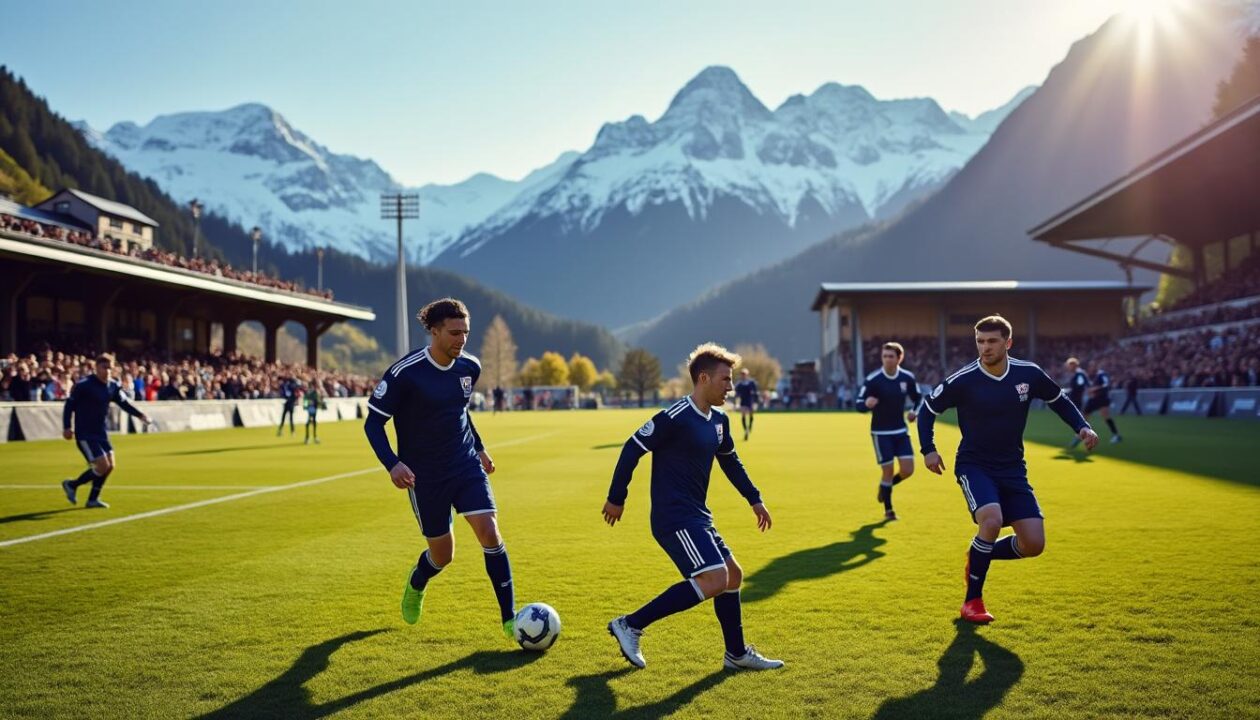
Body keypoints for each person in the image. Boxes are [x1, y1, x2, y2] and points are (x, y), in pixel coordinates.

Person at [604, 343, 783, 672]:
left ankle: (736, 654)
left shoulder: (719, 421)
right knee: (715, 578)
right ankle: (630, 624)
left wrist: (754, 499)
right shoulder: (676, 417)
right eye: (725, 380)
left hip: (698, 516)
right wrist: (617, 497)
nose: (731, 387)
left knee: (732, 576)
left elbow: (731, 463)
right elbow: (632, 447)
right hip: (673, 517)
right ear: (703, 379)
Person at [919, 316, 1097, 624]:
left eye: (991, 341)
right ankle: (972, 601)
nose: (984, 348)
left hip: (1013, 468)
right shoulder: (964, 379)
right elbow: (927, 409)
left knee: (1033, 545)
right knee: (992, 518)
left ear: (1008, 343)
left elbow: (1059, 400)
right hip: (974, 464)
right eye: (980, 341)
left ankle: (979, 553)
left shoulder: (1029, 374)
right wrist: (928, 449)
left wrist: (1082, 427)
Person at [362, 298, 516, 640]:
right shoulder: (405, 373)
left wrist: (479, 448)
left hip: (464, 465)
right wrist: (393, 464)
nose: (461, 339)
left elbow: (460, 412)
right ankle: (417, 582)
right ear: (434, 330)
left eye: (466, 332)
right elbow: (373, 424)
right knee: (443, 555)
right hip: (424, 476)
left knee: (490, 531)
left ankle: (510, 619)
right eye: (454, 332)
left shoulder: (469, 368)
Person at [61, 354, 151, 509]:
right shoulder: (84, 385)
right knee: (102, 466)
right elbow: (69, 405)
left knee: (110, 466)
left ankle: (92, 499)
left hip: (101, 432)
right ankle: (72, 484)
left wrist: (140, 415)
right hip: (85, 433)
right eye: (104, 367)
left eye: (110, 367)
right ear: (96, 368)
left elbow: (124, 404)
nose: (108, 371)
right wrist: (67, 427)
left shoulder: (113, 386)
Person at [856, 342, 921, 521]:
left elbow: (918, 398)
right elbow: (859, 403)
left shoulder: (907, 378)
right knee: (888, 469)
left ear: (900, 358)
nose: (887, 360)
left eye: (891, 356)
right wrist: (865, 405)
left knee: (908, 470)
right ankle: (889, 510)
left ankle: (885, 487)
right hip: (880, 433)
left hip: (900, 431)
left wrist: (914, 411)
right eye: (884, 356)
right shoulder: (873, 380)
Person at [1072, 362, 1122, 445]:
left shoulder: (1101, 374)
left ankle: (1116, 435)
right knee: (1083, 417)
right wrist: (1089, 391)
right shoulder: (1090, 376)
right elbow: (1088, 386)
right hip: (1093, 399)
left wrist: (1094, 389)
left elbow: (1106, 385)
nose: (1091, 368)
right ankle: (1079, 436)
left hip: (1102, 398)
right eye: (1090, 367)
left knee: (1106, 416)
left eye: (1093, 366)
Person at [733, 368, 759, 441]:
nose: (743, 375)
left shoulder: (751, 383)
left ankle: (750, 426)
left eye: (744, 374)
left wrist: (756, 402)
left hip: (750, 401)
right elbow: (737, 394)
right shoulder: (739, 384)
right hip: (743, 401)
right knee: (743, 415)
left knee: (751, 415)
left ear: (747, 374)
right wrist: (736, 403)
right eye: (742, 374)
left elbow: (756, 392)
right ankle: (746, 431)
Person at [303, 379, 322, 445]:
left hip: (313, 408)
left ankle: (311, 437)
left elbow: (317, 401)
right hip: (311, 409)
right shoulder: (311, 393)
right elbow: (306, 401)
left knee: (312, 422)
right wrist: (307, 405)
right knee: (310, 423)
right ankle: (310, 437)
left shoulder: (314, 393)